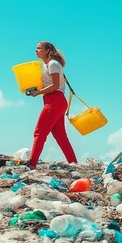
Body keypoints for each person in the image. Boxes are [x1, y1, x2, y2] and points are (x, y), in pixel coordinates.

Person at [27, 41, 78, 169]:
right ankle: (74, 164)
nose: (36, 50)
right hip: (57, 101)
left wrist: (38, 92)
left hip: (54, 100)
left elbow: (55, 86)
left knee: (39, 132)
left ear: (47, 50)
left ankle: (32, 164)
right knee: (60, 136)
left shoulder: (53, 64)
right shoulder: (49, 64)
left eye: (39, 48)